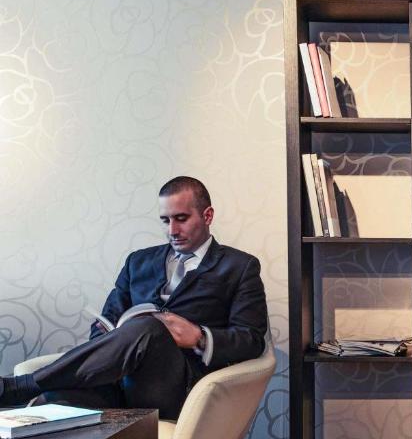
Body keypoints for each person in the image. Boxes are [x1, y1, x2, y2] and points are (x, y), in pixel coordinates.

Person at [0, 176, 268, 419]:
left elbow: (252, 340)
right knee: (49, 403)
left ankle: (18, 387)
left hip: (178, 389)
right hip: (117, 384)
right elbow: (105, 325)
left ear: (207, 215)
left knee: (150, 327)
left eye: (181, 218)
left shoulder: (239, 266)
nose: (172, 230)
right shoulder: (138, 262)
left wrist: (199, 336)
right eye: (165, 220)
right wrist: (109, 332)